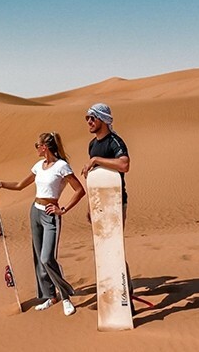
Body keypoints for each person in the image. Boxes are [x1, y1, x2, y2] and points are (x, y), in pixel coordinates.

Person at [0, 132, 86, 316]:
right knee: (39, 258)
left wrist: (62, 209)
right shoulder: (39, 166)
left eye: (37, 145)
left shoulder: (62, 166)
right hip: (35, 212)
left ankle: (65, 297)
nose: (36, 148)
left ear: (44, 147)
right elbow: (20, 185)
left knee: (48, 258)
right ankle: (50, 296)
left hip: (50, 214)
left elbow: (79, 190)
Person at [80, 103, 135, 311]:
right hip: (99, 203)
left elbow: (124, 165)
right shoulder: (92, 144)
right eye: (87, 119)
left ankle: (126, 295)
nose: (89, 122)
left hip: (116, 202)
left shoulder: (115, 142)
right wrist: (90, 205)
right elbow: (95, 177)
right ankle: (110, 292)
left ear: (103, 119)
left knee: (115, 249)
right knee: (103, 249)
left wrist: (96, 159)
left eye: (92, 118)